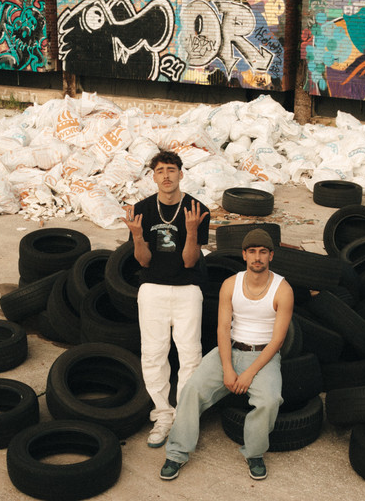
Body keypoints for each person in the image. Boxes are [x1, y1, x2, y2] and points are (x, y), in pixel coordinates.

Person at [160, 228, 294, 480]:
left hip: (263, 356)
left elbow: (278, 340)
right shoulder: (231, 284)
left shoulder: (283, 289)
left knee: (269, 400)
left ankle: (254, 453)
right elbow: (222, 328)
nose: (257, 257)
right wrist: (228, 368)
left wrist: (249, 374)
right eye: (252, 251)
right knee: (192, 389)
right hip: (229, 350)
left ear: (271, 256)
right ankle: (177, 453)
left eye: (262, 252)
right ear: (244, 255)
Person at [123, 150, 210, 447]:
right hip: (152, 290)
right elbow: (143, 261)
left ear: (181, 174)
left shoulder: (197, 209)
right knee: (153, 353)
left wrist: (191, 231)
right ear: (153, 177)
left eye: (171, 170)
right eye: (160, 171)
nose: (166, 176)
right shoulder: (142, 210)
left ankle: (183, 417)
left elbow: (189, 261)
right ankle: (162, 415)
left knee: (190, 355)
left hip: (187, 289)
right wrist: (137, 236)